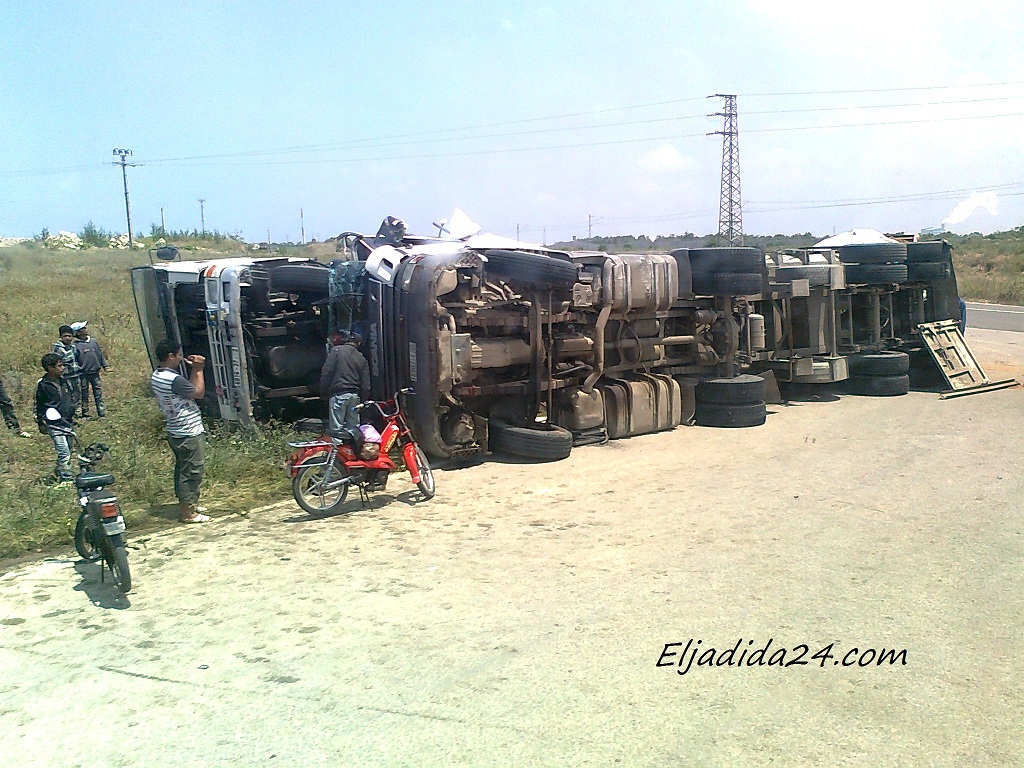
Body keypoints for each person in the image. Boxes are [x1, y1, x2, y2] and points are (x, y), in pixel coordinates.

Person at [150, 339, 210, 524]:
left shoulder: (157, 376)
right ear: (170, 356)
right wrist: (199, 369)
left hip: (176, 429)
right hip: (188, 431)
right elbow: (198, 392)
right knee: (192, 471)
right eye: (178, 355)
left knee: (183, 469)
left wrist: (193, 371)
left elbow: (189, 390)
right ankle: (187, 513)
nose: (181, 358)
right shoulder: (173, 379)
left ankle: (189, 503)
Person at [319, 331, 370, 441]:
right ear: (359, 343)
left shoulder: (336, 351)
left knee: (336, 430)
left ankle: (337, 456)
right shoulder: (362, 358)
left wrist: (323, 393)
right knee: (353, 430)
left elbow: (326, 372)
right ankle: (351, 454)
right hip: (354, 397)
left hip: (338, 395)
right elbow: (366, 384)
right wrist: (363, 400)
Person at [34, 353, 76, 482]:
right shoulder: (43, 385)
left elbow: (70, 398)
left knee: (69, 450)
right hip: (54, 424)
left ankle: (59, 472)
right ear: (50, 368)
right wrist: (41, 422)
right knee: (64, 453)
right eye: (60, 365)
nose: (63, 368)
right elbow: (39, 405)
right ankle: (66, 479)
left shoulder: (64, 381)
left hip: (67, 422)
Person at [71, 321, 110, 417]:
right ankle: (85, 413)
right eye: (83, 328)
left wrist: (105, 366)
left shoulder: (93, 342)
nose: (86, 329)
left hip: (95, 372)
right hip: (83, 374)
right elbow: (75, 359)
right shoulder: (75, 345)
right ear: (78, 333)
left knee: (98, 393)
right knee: (84, 393)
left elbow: (100, 355)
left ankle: (101, 412)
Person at [51, 325, 83, 418]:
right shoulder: (58, 348)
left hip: (75, 375)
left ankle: (78, 415)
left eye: (70, 336)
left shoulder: (73, 347)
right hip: (64, 376)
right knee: (66, 396)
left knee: (77, 395)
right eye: (65, 336)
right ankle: (67, 416)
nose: (68, 338)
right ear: (61, 337)